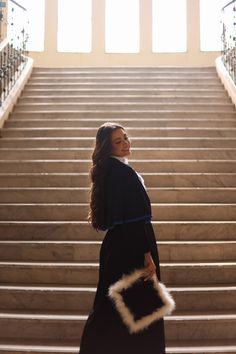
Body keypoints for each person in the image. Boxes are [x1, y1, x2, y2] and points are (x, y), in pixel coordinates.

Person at [79, 122, 166, 354]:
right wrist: (147, 256)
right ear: (107, 147)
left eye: (126, 137)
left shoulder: (112, 170)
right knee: (136, 309)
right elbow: (135, 218)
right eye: (118, 141)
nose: (125, 143)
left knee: (114, 308)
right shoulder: (121, 173)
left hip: (120, 246)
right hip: (132, 248)